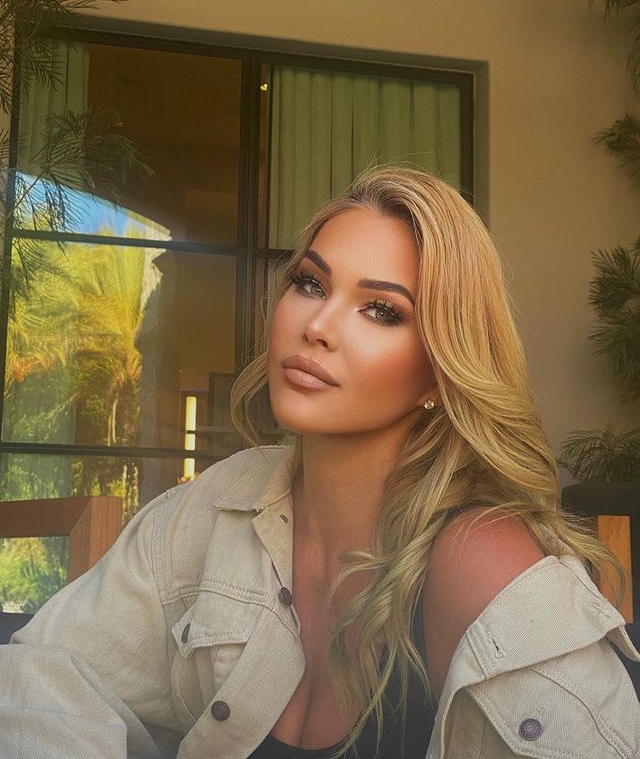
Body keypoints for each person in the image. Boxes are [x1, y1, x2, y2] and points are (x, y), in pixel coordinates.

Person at [2, 165, 640, 759]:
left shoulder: (479, 558)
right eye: (310, 283)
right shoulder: (221, 501)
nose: (318, 325)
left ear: (439, 372)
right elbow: (51, 672)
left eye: (381, 310)